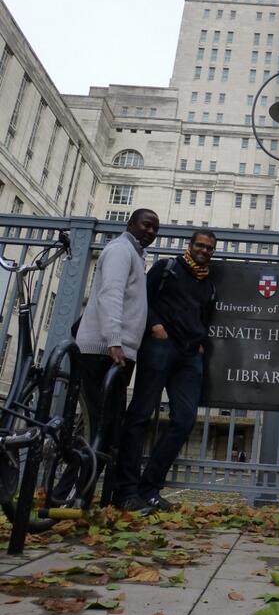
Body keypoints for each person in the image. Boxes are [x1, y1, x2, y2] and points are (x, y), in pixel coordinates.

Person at [57, 209, 160, 505]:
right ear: (131, 224)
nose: (151, 232)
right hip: (104, 352)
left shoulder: (134, 255)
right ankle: (67, 497)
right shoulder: (120, 250)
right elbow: (110, 294)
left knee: (108, 428)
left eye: (155, 228)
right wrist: (114, 340)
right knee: (98, 427)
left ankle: (79, 497)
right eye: (146, 225)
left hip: (117, 353)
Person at [112, 228, 217, 512]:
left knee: (185, 418)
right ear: (190, 245)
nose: (204, 250)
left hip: (189, 356)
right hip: (160, 346)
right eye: (200, 245)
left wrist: (199, 343)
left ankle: (149, 488)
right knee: (140, 414)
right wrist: (154, 326)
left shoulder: (208, 283)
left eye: (209, 248)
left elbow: (205, 316)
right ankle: (125, 490)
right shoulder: (166, 268)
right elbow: (142, 300)